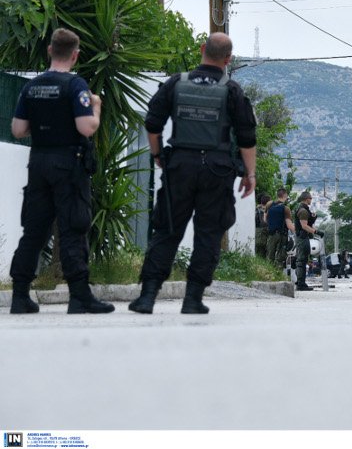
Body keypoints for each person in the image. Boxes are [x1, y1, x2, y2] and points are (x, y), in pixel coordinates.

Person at [129, 32, 257, 314]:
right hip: (217, 170)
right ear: (228, 59)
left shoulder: (176, 83)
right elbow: (247, 138)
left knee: (166, 231)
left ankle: (148, 296)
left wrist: (158, 155)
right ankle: (193, 299)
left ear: (202, 49)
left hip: (180, 168)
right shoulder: (233, 90)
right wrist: (250, 175)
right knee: (208, 234)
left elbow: (152, 123)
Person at [8, 28, 114, 314]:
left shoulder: (31, 87)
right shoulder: (75, 86)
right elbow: (86, 127)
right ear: (76, 55)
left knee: (34, 229)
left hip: (39, 162)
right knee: (73, 227)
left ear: (49, 51)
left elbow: (18, 130)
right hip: (67, 164)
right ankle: (79, 296)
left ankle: (20, 295)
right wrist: (97, 108)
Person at [294, 191, 323, 291]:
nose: (311, 200)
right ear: (307, 199)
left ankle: (300, 282)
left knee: (302, 260)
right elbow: (304, 226)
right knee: (302, 261)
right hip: (302, 238)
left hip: (302, 237)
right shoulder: (303, 211)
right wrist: (317, 232)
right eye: (310, 198)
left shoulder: (303, 209)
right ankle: (301, 284)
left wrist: (313, 218)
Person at [265, 187, 294, 266]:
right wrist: (296, 232)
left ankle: (268, 275)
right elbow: (289, 225)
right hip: (282, 235)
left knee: (270, 256)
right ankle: (277, 275)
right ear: (285, 195)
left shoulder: (269, 205)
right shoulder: (286, 209)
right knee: (280, 258)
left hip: (271, 234)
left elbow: (265, 219)